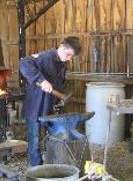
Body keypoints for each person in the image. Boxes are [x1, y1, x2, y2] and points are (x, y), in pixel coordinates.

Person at [19, 36, 81, 166]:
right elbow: (24, 63)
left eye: (71, 57)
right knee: (34, 141)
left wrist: (60, 98)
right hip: (35, 106)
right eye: (69, 54)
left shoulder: (62, 65)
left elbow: (59, 85)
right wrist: (41, 80)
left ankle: (56, 166)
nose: (69, 59)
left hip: (50, 108)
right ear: (62, 47)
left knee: (57, 137)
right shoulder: (45, 57)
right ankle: (37, 171)